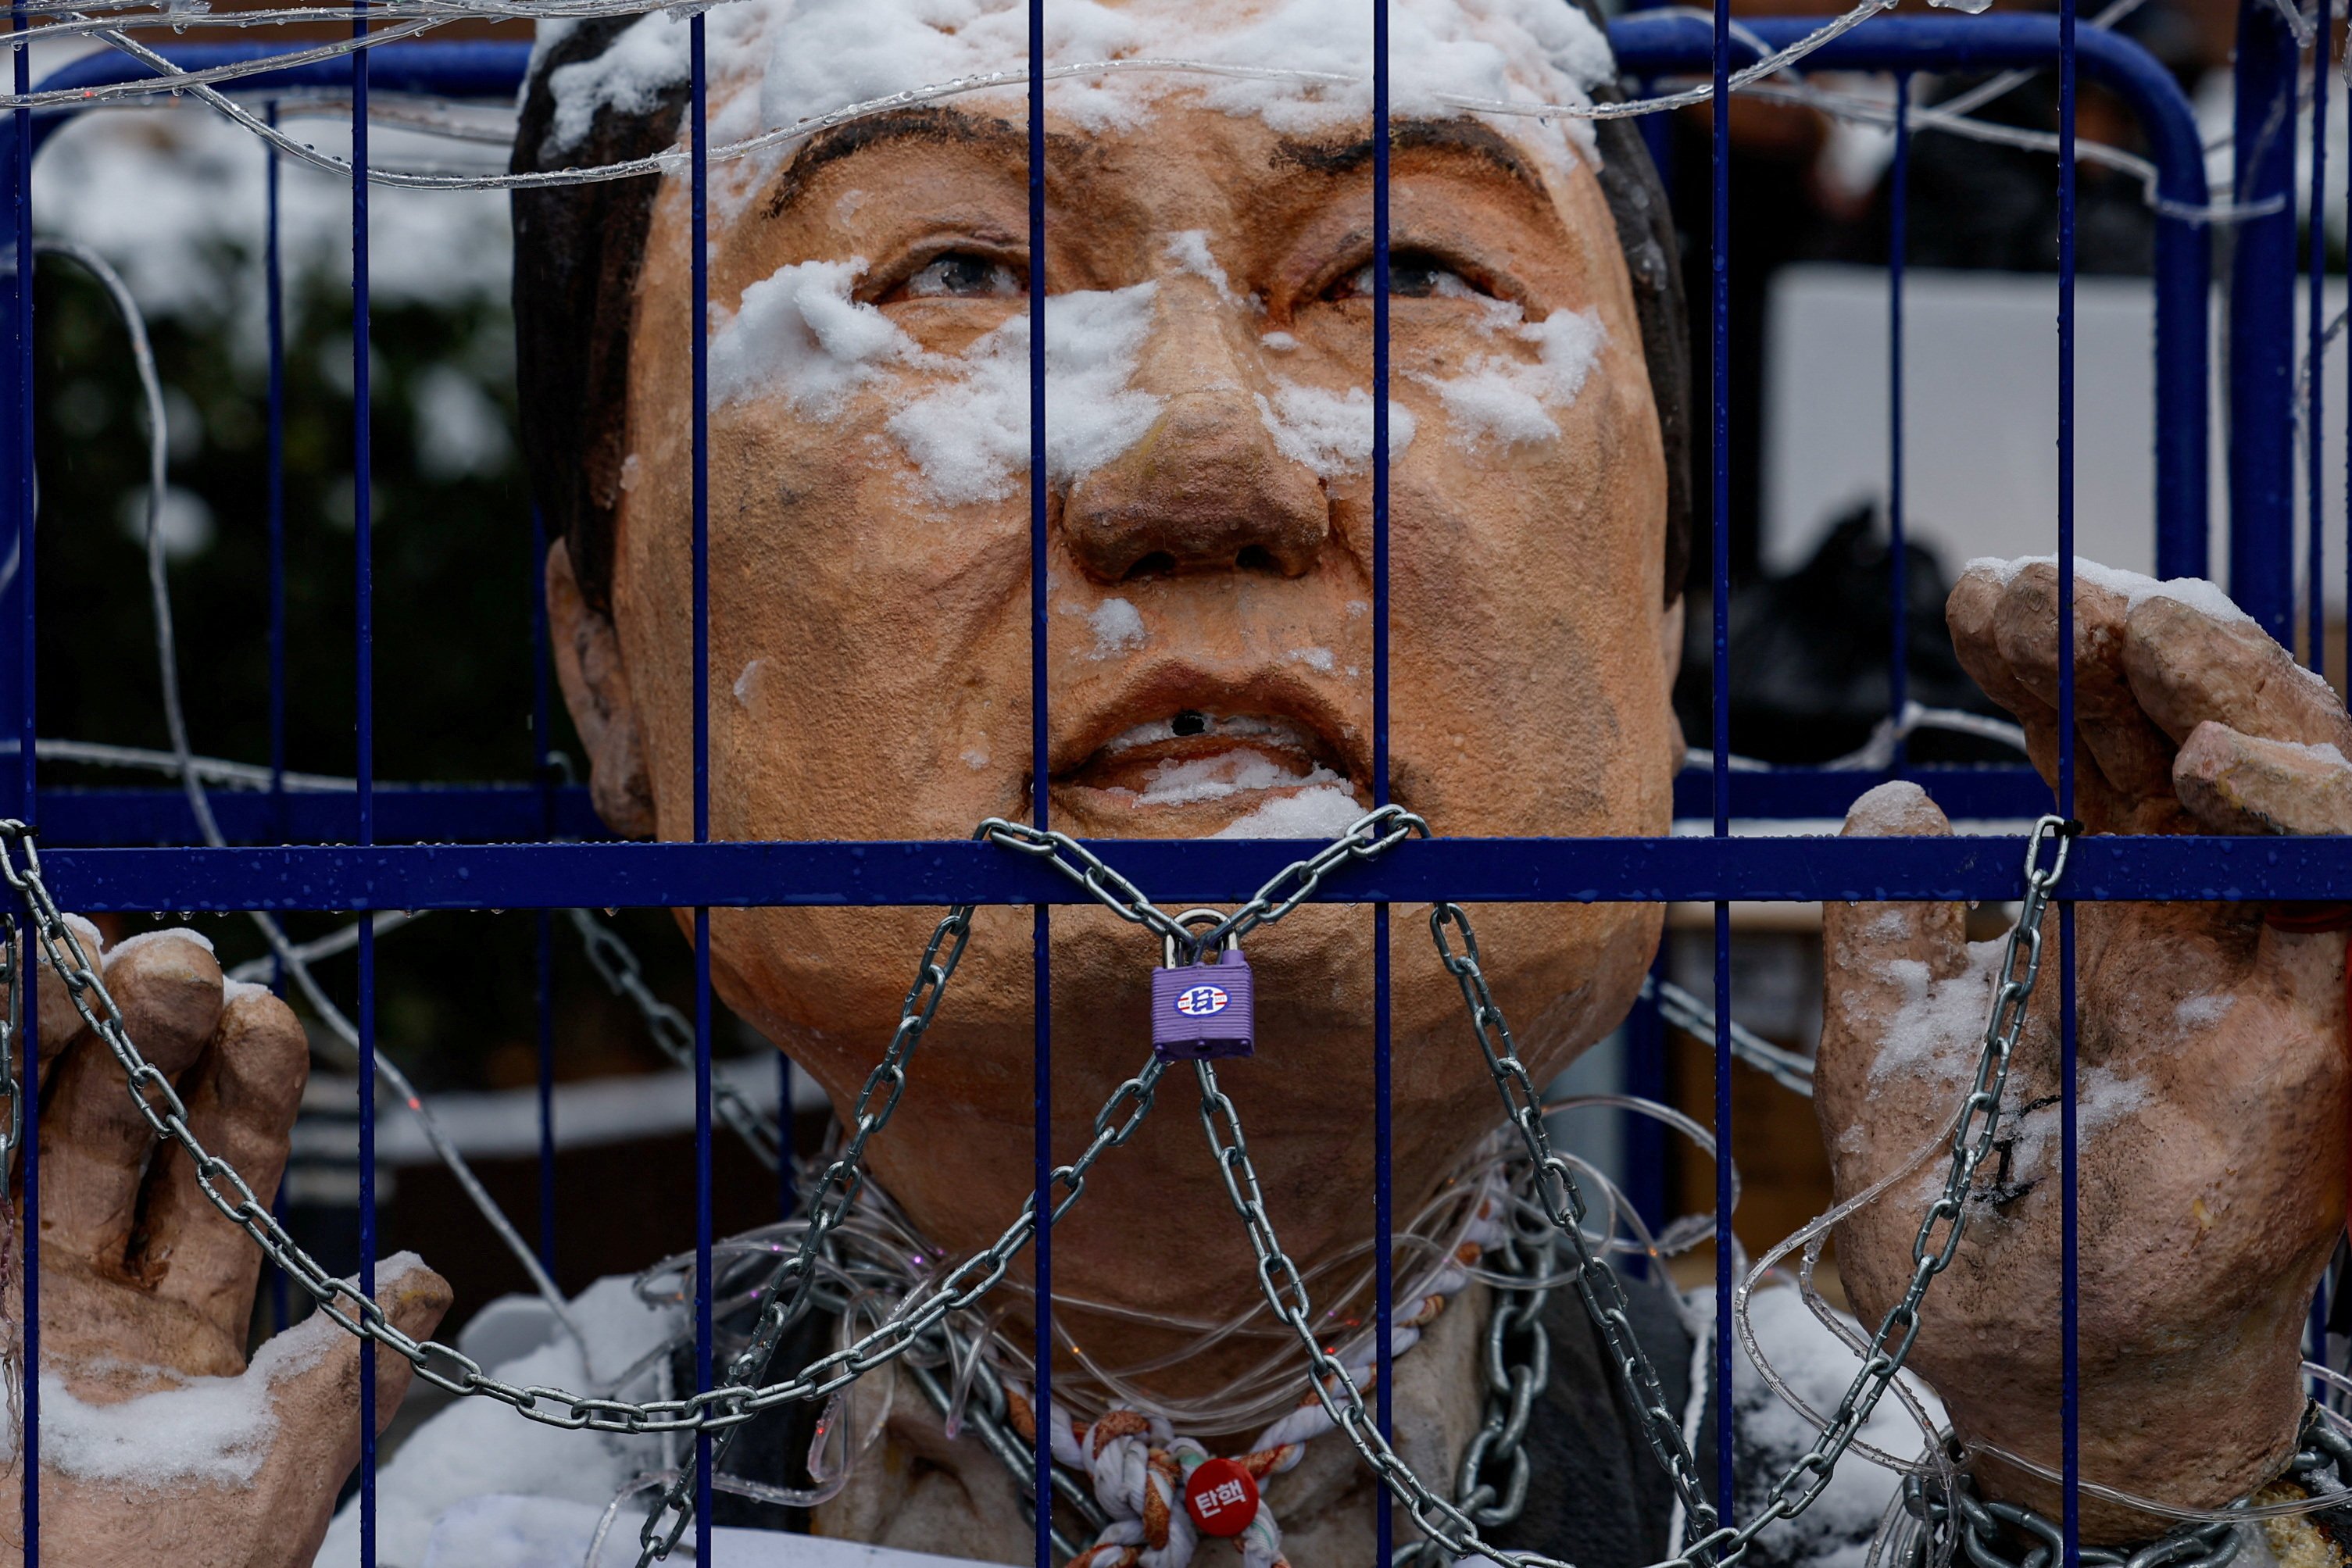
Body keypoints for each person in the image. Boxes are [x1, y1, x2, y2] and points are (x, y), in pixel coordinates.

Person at [9, 2, 2350, 1565]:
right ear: (607, 671)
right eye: (947, 271)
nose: (1203, 466)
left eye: (1407, 277)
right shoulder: (410, 1513)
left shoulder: (1888, 1482)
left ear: (1649, 629)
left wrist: (2121, 1468)